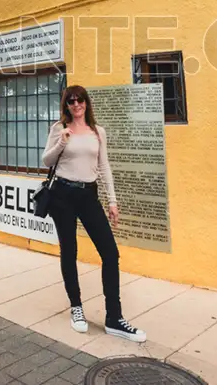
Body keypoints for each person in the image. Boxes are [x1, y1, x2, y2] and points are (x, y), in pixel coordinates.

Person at [41, 85, 146, 343]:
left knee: (110, 253)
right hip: (62, 196)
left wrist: (112, 201)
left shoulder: (98, 132)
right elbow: (46, 160)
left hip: (89, 194)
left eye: (80, 100)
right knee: (70, 251)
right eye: (71, 101)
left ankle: (114, 318)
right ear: (66, 106)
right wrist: (61, 142)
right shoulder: (58, 129)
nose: (76, 105)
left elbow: (104, 165)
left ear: (87, 103)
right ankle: (76, 307)